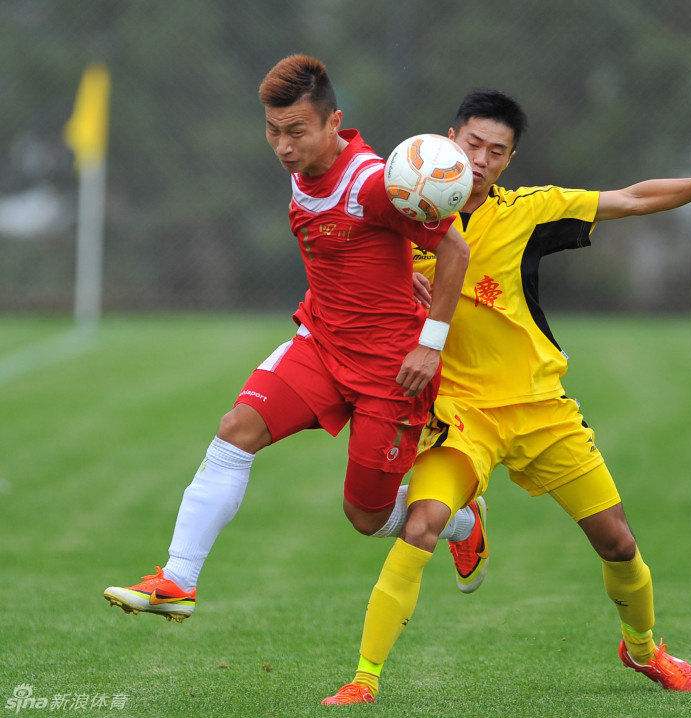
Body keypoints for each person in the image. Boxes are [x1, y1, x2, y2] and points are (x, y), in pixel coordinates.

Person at [322, 89, 691, 705]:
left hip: (538, 408)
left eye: (495, 151)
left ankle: (644, 651)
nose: (478, 159)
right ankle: (363, 681)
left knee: (619, 543)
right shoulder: (402, 212)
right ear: (449, 139)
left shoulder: (530, 211)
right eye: (471, 143)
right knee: (421, 525)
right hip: (457, 416)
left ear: (508, 162)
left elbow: (632, 199)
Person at [103, 54, 479, 621]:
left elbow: (455, 249)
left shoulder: (373, 184)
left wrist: (430, 342)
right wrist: (403, 276)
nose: (282, 146)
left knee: (367, 517)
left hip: (390, 370)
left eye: (295, 132)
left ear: (334, 123)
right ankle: (177, 580)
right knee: (236, 431)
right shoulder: (305, 172)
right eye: (273, 132)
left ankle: (462, 521)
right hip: (322, 346)